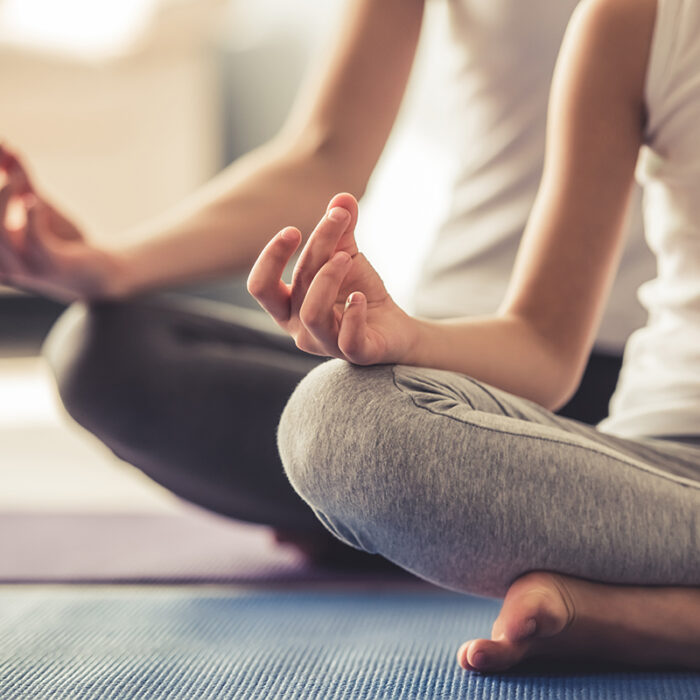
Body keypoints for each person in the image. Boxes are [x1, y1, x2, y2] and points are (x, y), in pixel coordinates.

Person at [0, 0, 695, 671]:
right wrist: (109, 267)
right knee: (128, 359)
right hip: (475, 374)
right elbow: (326, 152)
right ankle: (450, 526)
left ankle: (502, 556)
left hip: (616, 382)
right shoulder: (627, 26)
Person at [245, 0, 700, 672]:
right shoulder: (633, 22)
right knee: (337, 420)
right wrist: (404, 335)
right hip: (662, 470)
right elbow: (542, 348)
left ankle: (676, 620)